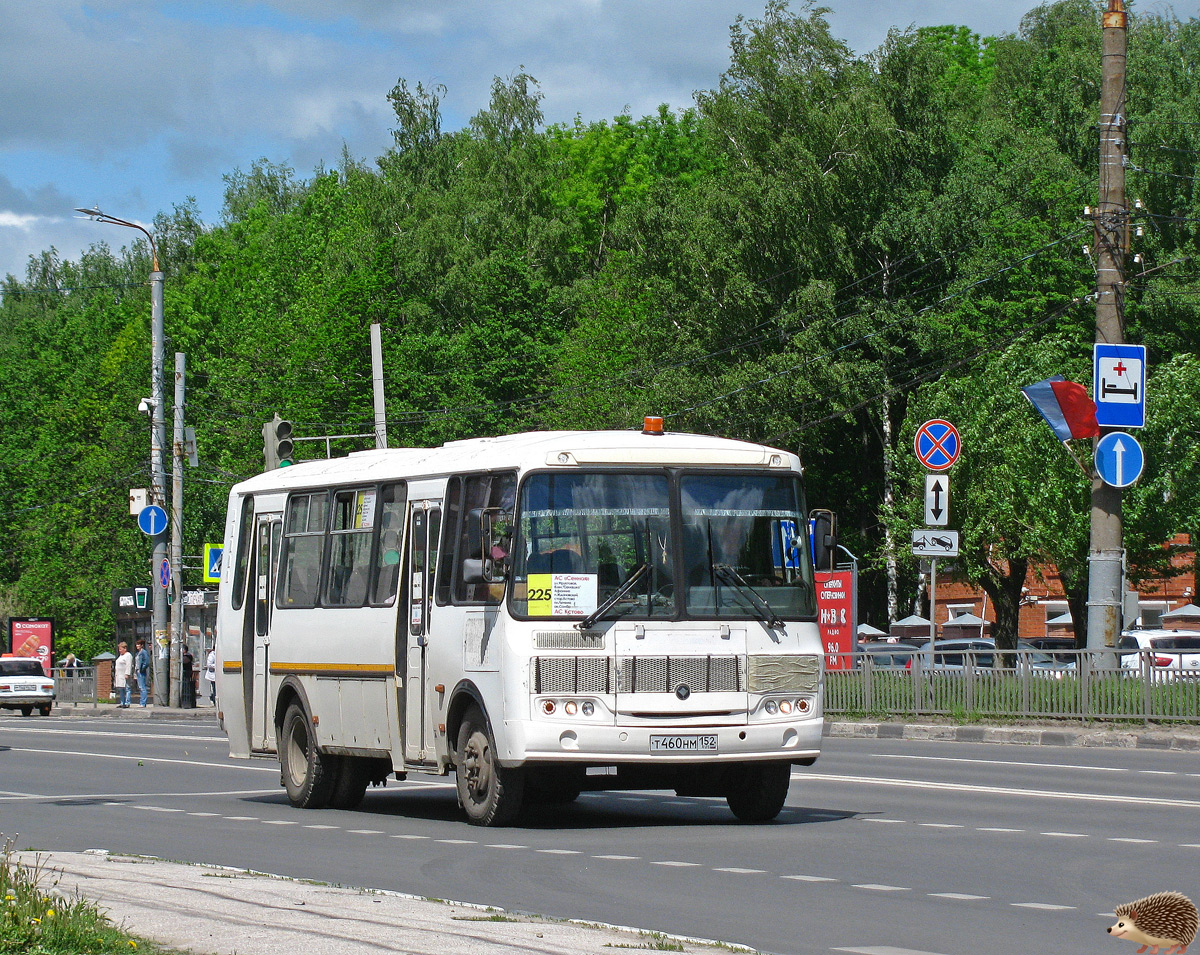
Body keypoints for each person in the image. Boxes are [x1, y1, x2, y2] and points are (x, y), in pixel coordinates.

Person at [114, 642, 133, 708]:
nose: (119, 650)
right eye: (119, 649)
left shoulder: (128, 655)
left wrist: (127, 673)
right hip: (119, 675)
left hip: (124, 675)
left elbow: (128, 665)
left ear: (125, 648)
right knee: (121, 689)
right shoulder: (121, 656)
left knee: (127, 688)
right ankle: (122, 702)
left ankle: (127, 702)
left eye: (121, 649)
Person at [135, 639, 151, 707]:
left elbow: (147, 662)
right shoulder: (138, 653)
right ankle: (142, 702)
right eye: (137, 644)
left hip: (141, 672)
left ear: (142, 645)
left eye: (139, 644)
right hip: (138, 671)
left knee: (142, 687)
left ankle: (143, 703)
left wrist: (142, 668)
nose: (137, 646)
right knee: (140, 687)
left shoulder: (143, 652)